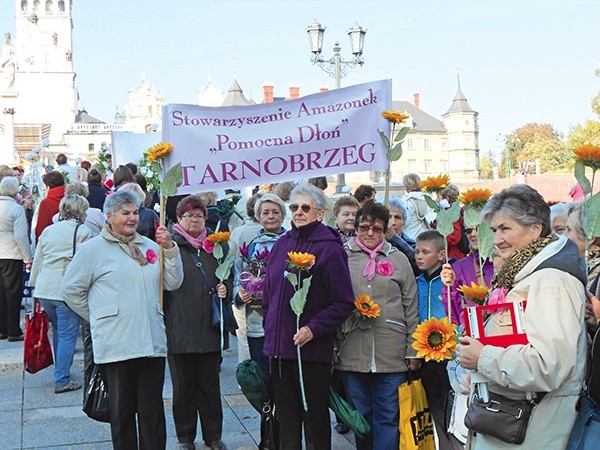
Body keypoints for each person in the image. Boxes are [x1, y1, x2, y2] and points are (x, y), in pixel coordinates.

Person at [456, 184, 587, 449]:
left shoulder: (551, 282)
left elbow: (549, 366)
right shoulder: (523, 274)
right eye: (494, 230)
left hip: (534, 431)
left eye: (505, 229)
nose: (497, 239)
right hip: (511, 426)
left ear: (536, 229)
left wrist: (483, 357)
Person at [61, 190, 184, 450]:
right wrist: (102, 316)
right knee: (122, 413)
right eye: (125, 213)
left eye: (135, 213)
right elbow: (71, 290)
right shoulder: (91, 250)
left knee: (152, 413)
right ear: (109, 216)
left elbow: (173, 282)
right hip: (117, 345)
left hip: (150, 342)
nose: (132, 218)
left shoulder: (151, 247)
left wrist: (170, 249)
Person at [262, 183, 355, 450]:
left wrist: (314, 329)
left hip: (310, 351)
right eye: (294, 207)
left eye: (305, 207)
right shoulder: (282, 244)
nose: (299, 212)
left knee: (314, 419)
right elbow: (270, 295)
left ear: (319, 212)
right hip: (280, 350)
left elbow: (342, 301)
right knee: (286, 421)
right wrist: (271, 330)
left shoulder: (329, 247)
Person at [336, 202, 420, 449]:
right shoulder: (343, 256)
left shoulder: (399, 259)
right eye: (364, 228)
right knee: (361, 416)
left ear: (385, 231)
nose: (370, 233)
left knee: (388, 417)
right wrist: (332, 345)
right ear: (356, 228)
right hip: (352, 351)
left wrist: (412, 350)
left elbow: (411, 307)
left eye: (377, 229)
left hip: (391, 353)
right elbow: (331, 302)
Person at [163, 195, 230, 450]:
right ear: (179, 219)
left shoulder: (216, 247)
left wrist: (226, 287)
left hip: (210, 327)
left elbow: (228, 275)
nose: (194, 220)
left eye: (199, 215)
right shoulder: (169, 247)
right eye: (189, 215)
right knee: (183, 389)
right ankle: (185, 438)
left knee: (210, 387)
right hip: (179, 327)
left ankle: (213, 435)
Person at [30, 195, 92, 393]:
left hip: (45, 288)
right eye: (84, 209)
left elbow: (38, 259)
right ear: (79, 210)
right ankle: (61, 379)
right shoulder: (82, 231)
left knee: (59, 330)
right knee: (67, 334)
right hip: (65, 289)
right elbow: (87, 261)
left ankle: (61, 370)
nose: (86, 213)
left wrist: (34, 286)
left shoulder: (49, 230)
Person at [414, 230, 463, 450]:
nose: (419, 256)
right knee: (435, 405)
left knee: (450, 405)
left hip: (450, 354)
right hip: (426, 354)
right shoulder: (417, 281)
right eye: (416, 251)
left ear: (442, 254)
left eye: (426, 252)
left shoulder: (451, 278)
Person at [234, 193, 287, 375]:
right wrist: (241, 295)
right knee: (263, 377)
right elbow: (238, 278)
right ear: (258, 216)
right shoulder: (251, 246)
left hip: (285, 323)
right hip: (257, 322)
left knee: (283, 378)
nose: (270, 216)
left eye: (275, 212)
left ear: (283, 215)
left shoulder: (292, 243)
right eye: (265, 212)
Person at [441, 226, 495, 323]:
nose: (473, 234)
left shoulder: (508, 259)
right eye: (468, 231)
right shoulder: (458, 267)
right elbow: (455, 319)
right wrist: (450, 287)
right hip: (477, 333)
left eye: (479, 228)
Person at [0, 177, 32, 341]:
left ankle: (2, 327)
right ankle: (13, 329)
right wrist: (28, 257)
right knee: (12, 293)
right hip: (11, 254)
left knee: (0, 292)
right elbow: (20, 236)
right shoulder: (16, 209)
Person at [386, 196, 419, 276]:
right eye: (389, 217)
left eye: (397, 217)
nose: (393, 222)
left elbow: (417, 266)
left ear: (403, 222)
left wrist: (395, 239)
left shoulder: (411, 244)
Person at [402, 173, 436, 240]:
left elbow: (403, 222)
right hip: (426, 238)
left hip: (409, 237)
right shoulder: (430, 200)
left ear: (407, 187)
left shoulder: (406, 201)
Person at [35, 171, 66, 242]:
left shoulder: (46, 203)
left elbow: (42, 227)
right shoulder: (70, 198)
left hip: (52, 240)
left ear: (47, 187)